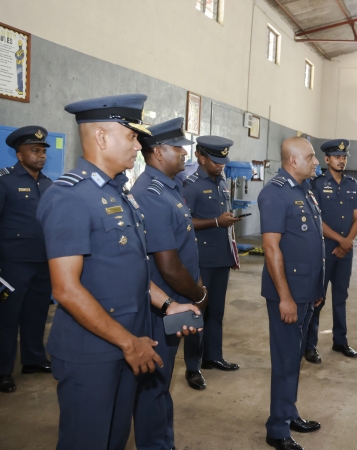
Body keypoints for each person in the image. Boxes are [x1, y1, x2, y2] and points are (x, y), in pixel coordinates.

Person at [36, 94, 201, 450]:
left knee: (114, 439)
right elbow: (65, 289)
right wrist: (128, 342)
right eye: (131, 136)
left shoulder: (119, 193)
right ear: (101, 137)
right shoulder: (69, 196)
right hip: (93, 352)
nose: (138, 145)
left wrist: (168, 305)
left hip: (131, 343)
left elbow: (133, 270)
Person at [131, 117, 207, 450]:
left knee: (161, 385)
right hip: (160, 307)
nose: (184, 154)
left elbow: (184, 249)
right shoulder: (150, 194)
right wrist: (199, 295)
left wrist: (196, 288)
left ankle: (164, 442)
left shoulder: (170, 188)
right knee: (153, 386)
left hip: (176, 302)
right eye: (178, 148)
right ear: (159, 152)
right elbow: (169, 265)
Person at [258, 137, 324, 450]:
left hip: (306, 292)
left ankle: (288, 412)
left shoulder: (303, 190)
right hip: (288, 294)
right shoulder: (274, 193)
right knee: (285, 361)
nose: (316, 161)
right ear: (293, 161)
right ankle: (277, 430)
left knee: (294, 358)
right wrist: (285, 297)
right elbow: (271, 249)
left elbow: (312, 244)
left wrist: (316, 289)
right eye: (310, 157)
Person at [182, 135, 241, 390]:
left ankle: (213, 356)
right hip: (201, 260)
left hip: (221, 258)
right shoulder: (191, 186)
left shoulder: (222, 183)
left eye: (223, 161)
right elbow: (184, 222)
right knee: (197, 313)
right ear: (201, 157)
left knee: (217, 311)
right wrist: (216, 222)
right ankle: (192, 367)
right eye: (216, 161)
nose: (220, 165)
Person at [0, 126, 54, 394]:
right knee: (7, 319)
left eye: (43, 150)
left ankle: (33, 359)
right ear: (19, 155)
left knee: (36, 313)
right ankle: (2, 371)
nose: (41, 155)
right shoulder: (5, 181)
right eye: (34, 150)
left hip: (43, 262)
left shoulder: (48, 184)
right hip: (12, 263)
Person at [305, 139, 357, 363]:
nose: (341, 160)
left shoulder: (352, 185)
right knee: (317, 298)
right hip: (324, 251)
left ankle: (340, 340)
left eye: (344, 157)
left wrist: (347, 243)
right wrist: (341, 241)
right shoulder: (316, 184)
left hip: (345, 252)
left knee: (341, 297)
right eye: (337, 157)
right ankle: (310, 345)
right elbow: (316, 219)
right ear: (327, 159)